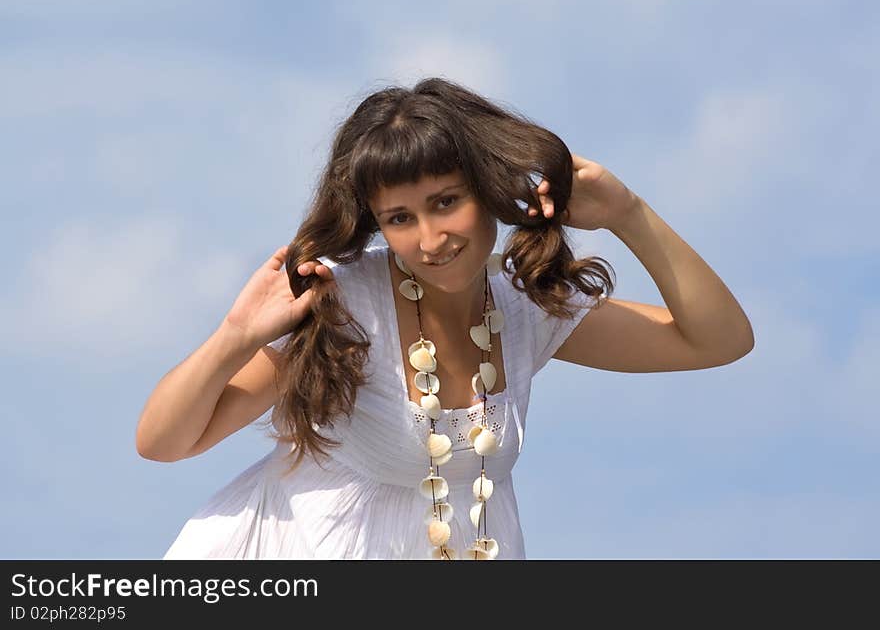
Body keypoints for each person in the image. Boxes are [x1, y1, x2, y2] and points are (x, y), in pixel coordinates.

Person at [137, 77, 755, 559]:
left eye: (446, 203)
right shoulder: (346, 305)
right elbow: (163, 443)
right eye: (400, 218)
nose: (430, 238)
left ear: (485, 189)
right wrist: (234, 337)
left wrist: (628, 212)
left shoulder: (523, 305)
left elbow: (719, 341)